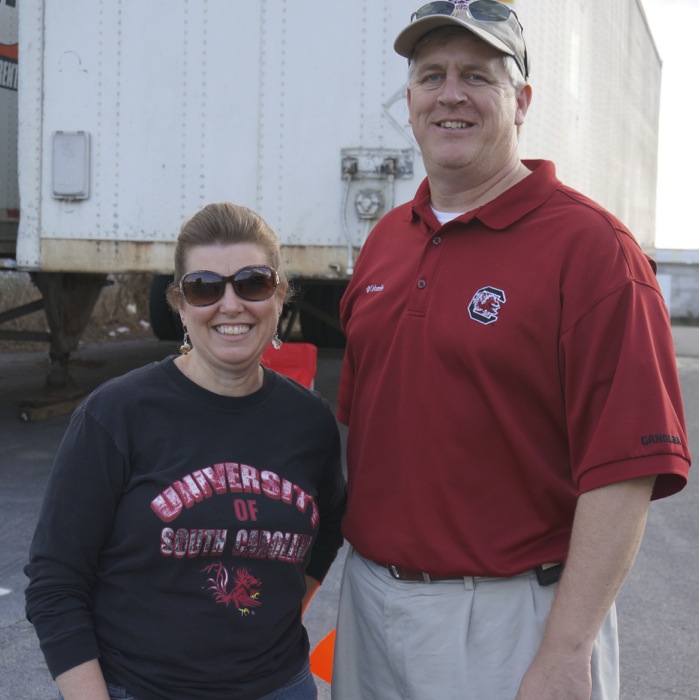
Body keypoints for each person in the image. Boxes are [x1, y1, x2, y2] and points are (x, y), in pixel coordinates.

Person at [331, 3, 691, 699]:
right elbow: (363, 434)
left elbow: (625, 469)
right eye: (430, 75)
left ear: (520, 101)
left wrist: (566, 650)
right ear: (408, 102)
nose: (450, 94)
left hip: (507, 625)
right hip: (371, 606)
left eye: (477, 75)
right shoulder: (386, 242)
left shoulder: (591, 251)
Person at [25, 202, 346, 700]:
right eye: (205, 288)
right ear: (179, 302)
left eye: (252, 283)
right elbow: (55, 581)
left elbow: (327, 532)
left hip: (281, 687)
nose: (231, 304)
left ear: (280, 295)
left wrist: (269, 621)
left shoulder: (309, 421)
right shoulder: (117, 415)